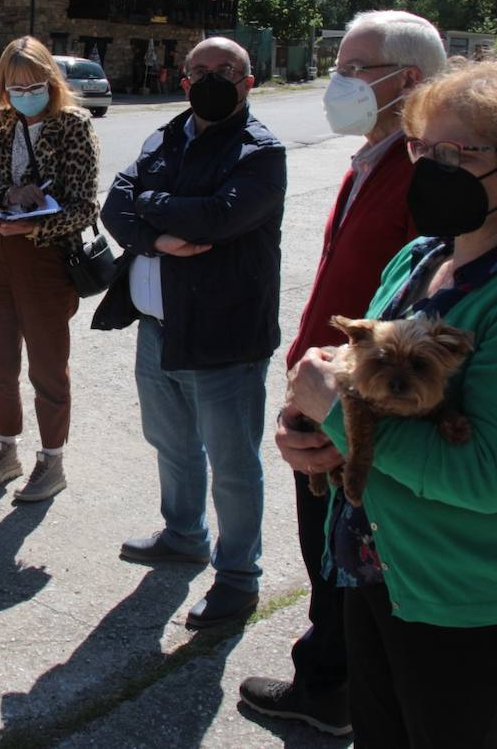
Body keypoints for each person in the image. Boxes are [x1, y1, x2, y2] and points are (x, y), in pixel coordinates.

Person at [279, 58, 497, 748]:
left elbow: (484, 476)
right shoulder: (425, 254)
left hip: (475, 598)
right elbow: (365, 383)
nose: (430, 167)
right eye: (422, 149)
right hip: (387, 566)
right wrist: (315, 433)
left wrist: (339, 418)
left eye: (456, 153)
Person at [240, 10, 447, 736]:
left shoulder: (424, 176)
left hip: (351, 413)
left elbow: (421, 318)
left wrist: (346, 413)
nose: (338, 82)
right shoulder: (375, 159)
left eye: (355, 68)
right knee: (328, 557)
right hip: (323, 396)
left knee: (340, 564)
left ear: (408, 80)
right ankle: (337, 681)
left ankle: (326, 688)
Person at [92, 37, 287, 629]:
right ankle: (183, 534)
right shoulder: (166, 136)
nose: (209, 79)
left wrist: (149, 209)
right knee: (172, 444)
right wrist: (156, 232)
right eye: (198, 70)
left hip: (225, 335)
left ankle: (237, 577)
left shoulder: (260, 152)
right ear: (182, 80)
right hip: (158, 329)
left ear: (249, 81)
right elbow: (114, 205)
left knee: (231, 463)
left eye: (224, 70)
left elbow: (219, 218)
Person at [0, 36, 101, 502]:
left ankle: (52, 461)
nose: (24, 94)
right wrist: (6, 197)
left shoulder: (74, 125)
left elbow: (85, 205)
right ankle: (6, 452)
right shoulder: (0, 125)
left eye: (33, 84)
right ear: (3, 85)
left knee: (48, 366)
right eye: (15, 86)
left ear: (51, 81)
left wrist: (37, 227)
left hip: (46, 258)